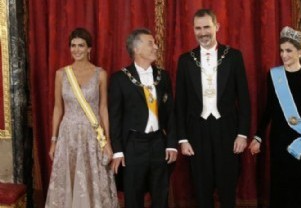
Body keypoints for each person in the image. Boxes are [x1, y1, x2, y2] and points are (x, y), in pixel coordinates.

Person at [175, 9, 251, 208]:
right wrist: (182, 138)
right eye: (198, 28)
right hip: (196, 132)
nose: (203, 33)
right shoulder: (185, 60)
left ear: (216, 27)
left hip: (227, 129)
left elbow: (244, 99)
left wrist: (242, 134)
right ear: (193, 30)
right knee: (201, 189)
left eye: (206, 27)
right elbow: (180, 103)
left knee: (227, 188)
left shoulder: (233, 56)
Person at [249, 26, 301, 208]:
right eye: (282, 50)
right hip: (279, 140)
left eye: (289, 50)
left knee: (299, 187)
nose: (284, 55)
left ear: (300, 51)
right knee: (280, 187)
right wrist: (258, 136)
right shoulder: (274, 75)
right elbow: (269, 109)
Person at [46, 28, 119, 208]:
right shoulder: (61, 74)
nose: (76, 49)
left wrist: (107, 141)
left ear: (89, 49)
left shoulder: (100, 74)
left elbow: (103, 109)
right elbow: (57, 108)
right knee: (68, 179)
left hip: (92, 135)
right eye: (73, 46)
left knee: (91, 178)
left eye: (81, 45)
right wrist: (54, 140)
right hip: (68, 134)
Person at [109, 28, 177, 208]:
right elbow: (114, 118)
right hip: (133, 145)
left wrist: (171, 143)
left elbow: (171, 113)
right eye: (151, 43)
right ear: (136, 49)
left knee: (160, 194)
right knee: (133, 196)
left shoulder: (163, 77)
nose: (156, 46)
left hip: (158, 143)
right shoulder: (119, 79)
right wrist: (118, 150)